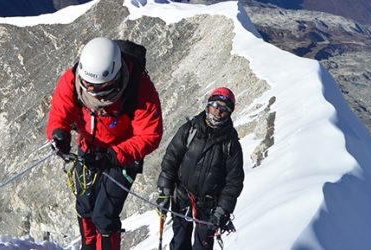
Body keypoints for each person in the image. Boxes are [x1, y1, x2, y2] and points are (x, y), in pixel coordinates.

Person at [47, 37, 164, 250]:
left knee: (104, 215)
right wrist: (59, 133)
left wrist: (114, 155)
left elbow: (150, 134)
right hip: (89, 149)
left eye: (99, 88)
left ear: (116, 76)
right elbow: (61, 110)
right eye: (89, 86)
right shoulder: (73, 78)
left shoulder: (139, 89)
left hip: (122, 156)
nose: (93, 92)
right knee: (84, 207)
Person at [156, 87, 244, 250]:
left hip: (210, 207)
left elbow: (234, 182)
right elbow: (171, 159)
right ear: (208, 104)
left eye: (224, 109)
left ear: (230, 113)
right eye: (215, 105)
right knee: (179, 242)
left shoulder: (231, 144)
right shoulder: (190, 130)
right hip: (182, 197)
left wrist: (222, 210)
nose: (218, 112)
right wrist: (164, 189)